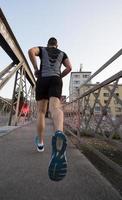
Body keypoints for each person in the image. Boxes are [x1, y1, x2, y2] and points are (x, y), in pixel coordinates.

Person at [28, 37, 72, 181]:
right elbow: (69, 68)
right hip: (56, 79)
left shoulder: (42, 49)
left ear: (48, 44)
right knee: (55, 107)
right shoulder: (62, 53)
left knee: (41, 112)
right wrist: (60, 75)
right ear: (57, 44)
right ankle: (59, 131)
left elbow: (30, 51)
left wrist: (36, 69)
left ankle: (40, 143)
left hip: (43, 79)